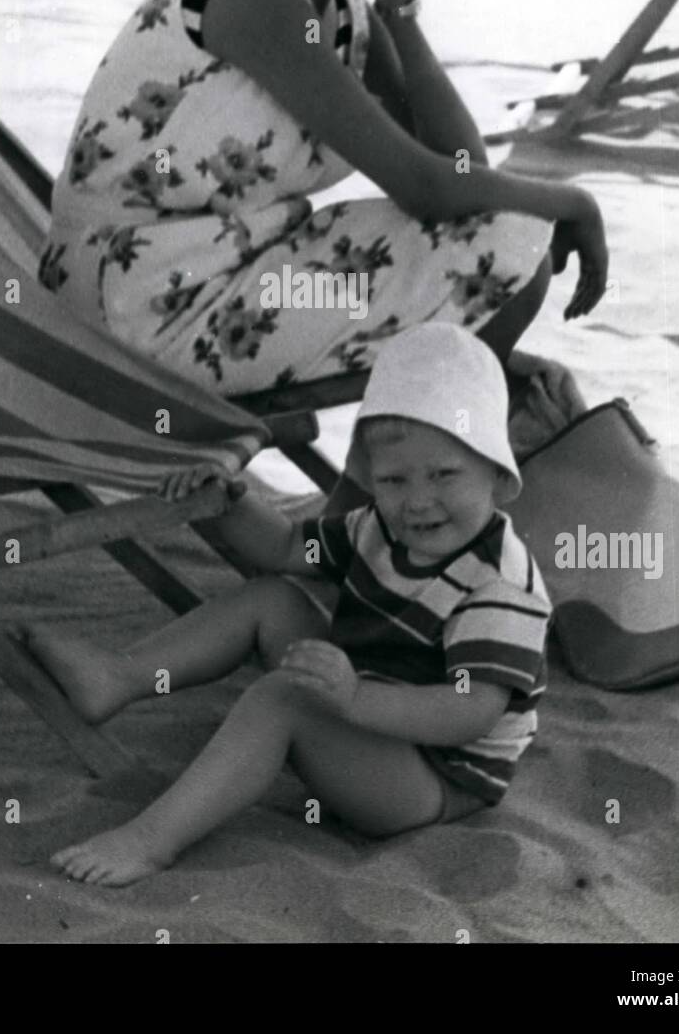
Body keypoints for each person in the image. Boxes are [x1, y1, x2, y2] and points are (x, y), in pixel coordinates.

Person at [40, 0, 608, 450]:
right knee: (509, 251)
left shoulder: (342, 12)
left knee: (501, 241)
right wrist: (572, 203)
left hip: (225, 274)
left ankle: (400, 499)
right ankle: (375, 522)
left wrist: (399, 10)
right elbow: (431, 189)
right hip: (133, 311)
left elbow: (463, 171)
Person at [30, 323, 552, 885]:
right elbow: (284, 548)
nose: (418, 500)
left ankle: (151, 840)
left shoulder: (500, 583)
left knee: (284, 697)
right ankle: (120, 675)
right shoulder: (377, 526)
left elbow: (468, 712)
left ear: (498, 476)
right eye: (395, 480)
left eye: (445, 474)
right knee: (272, 597)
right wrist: (232, 500)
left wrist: (352, 699)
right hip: (372, 708)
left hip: (433, 778)